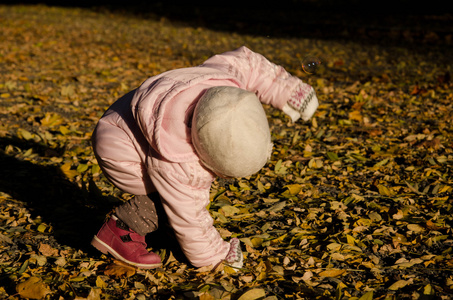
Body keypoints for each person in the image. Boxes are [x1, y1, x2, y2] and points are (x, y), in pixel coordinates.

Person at [90, 46, 319, 270]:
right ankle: (121, 230)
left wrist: (291, 91)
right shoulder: (180, 164)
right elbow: (189, 217)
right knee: (173, 196)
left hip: (124, 115)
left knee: (182, 190)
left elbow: (250, 64)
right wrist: (217, 256)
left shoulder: (223, 84)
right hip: (119, 153)